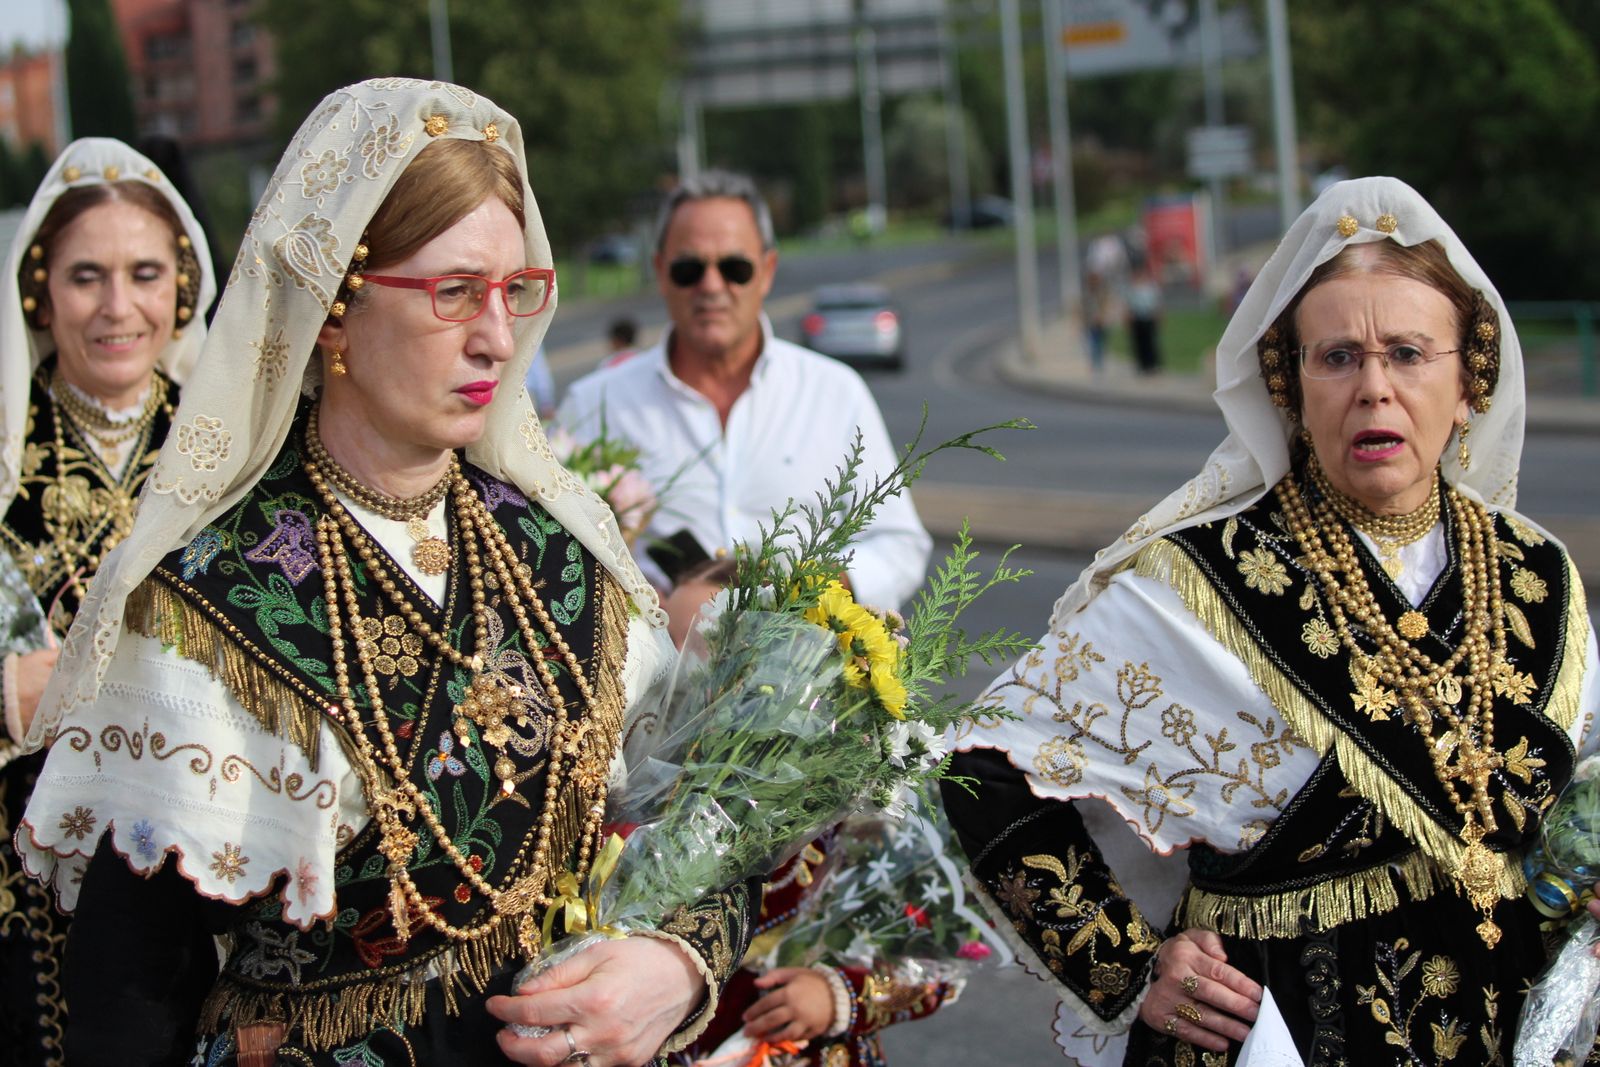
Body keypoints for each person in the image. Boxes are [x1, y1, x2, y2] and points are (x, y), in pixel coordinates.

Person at [13, 80, 754, 1066]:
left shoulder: (561, 555)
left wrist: (675, 961)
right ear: (334, 308)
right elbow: (129, 994)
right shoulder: (207, 602)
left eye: (516, 290)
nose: (498, 336)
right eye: (454, 291)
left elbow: (705, 811)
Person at [943, 177, 1599, 1065]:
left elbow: (1569, 798)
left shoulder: (1535, 572)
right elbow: (982, 766)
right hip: (1284, 1032)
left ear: (1467, 380)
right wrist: (1129, 965)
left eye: (1409, 353)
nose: (1374, 388)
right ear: (1289, 385)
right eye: (1338, 357)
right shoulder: (1197, 580)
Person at [0, 136, 214, 1066]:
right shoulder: (6, 448)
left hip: (196, 860)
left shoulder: (231, 452)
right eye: (87, 276)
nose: (118, 306)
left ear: (183, 288)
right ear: (41, 292)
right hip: (21, 887)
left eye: (144, 273)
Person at [556, 170, 930, 609]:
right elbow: (554, 553)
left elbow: (899, 543)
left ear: (767, 271)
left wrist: (820, 587)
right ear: (660, 272)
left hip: (803, 647)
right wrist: (629, 602)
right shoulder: (594, 404)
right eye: (689, 269)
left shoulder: (835, 392)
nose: (712, 286)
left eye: (735, 268)